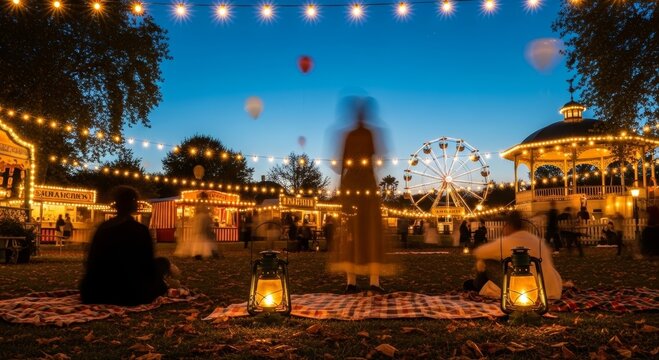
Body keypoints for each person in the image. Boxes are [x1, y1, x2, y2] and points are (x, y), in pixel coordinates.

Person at [328, 96, 395, 294]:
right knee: (353, 232)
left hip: (364, 184)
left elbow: (344, 163)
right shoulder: (353, 135)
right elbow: (342, 162)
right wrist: (343, 193)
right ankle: (352, 282)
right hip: (358, 185)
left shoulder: (367, 134)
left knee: (369, 232)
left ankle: (373, 281)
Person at [80, 186, 172, 306]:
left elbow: (90, 262)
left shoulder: (103, 228)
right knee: (163, 263)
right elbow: (147, 265)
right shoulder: (140, 230)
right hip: (129, 293)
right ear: (134, 204)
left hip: (94, 292)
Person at [464, 211, 563, 300]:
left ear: (510, 226)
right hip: (551, 289)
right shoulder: (537, 240)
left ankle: (477, 285)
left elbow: (479, 252)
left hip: (526, 291)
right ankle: (477, 284)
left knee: (485, 261)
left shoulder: (509, 241)